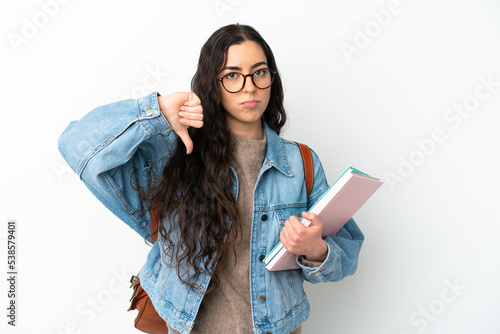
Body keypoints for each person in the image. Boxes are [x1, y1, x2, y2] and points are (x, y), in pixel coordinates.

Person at [58, 23, 364, 334]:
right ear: (211, 84)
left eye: (260, 72)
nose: (249, 86)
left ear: (272, 78)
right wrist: (159, 109)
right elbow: (77, 144)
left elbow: (346, 255)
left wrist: (315, 250)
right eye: (232, 75)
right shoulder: (177, 153)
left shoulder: (302, 163)